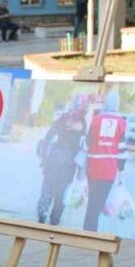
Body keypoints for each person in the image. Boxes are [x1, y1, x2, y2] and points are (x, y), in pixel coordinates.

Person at [36, 94, 90, 225]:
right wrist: (80, 173)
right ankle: (55, 219)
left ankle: (42, 214)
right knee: (61, 193)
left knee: (47, 189)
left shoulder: (62, 118)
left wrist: (44, 159)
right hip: (69, 163)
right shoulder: (83, 124)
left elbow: (48, 138)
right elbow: (84, 147)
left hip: (54, 158)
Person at [83, 92, 127, 232]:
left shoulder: (96, 120)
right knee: (99, 202)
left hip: (93, 167)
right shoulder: (121, 122)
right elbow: (122, 149)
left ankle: (88, 229)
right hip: (108, 170)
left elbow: (87, 143)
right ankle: (90, 232)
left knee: (92, 200)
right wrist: (121, 169)